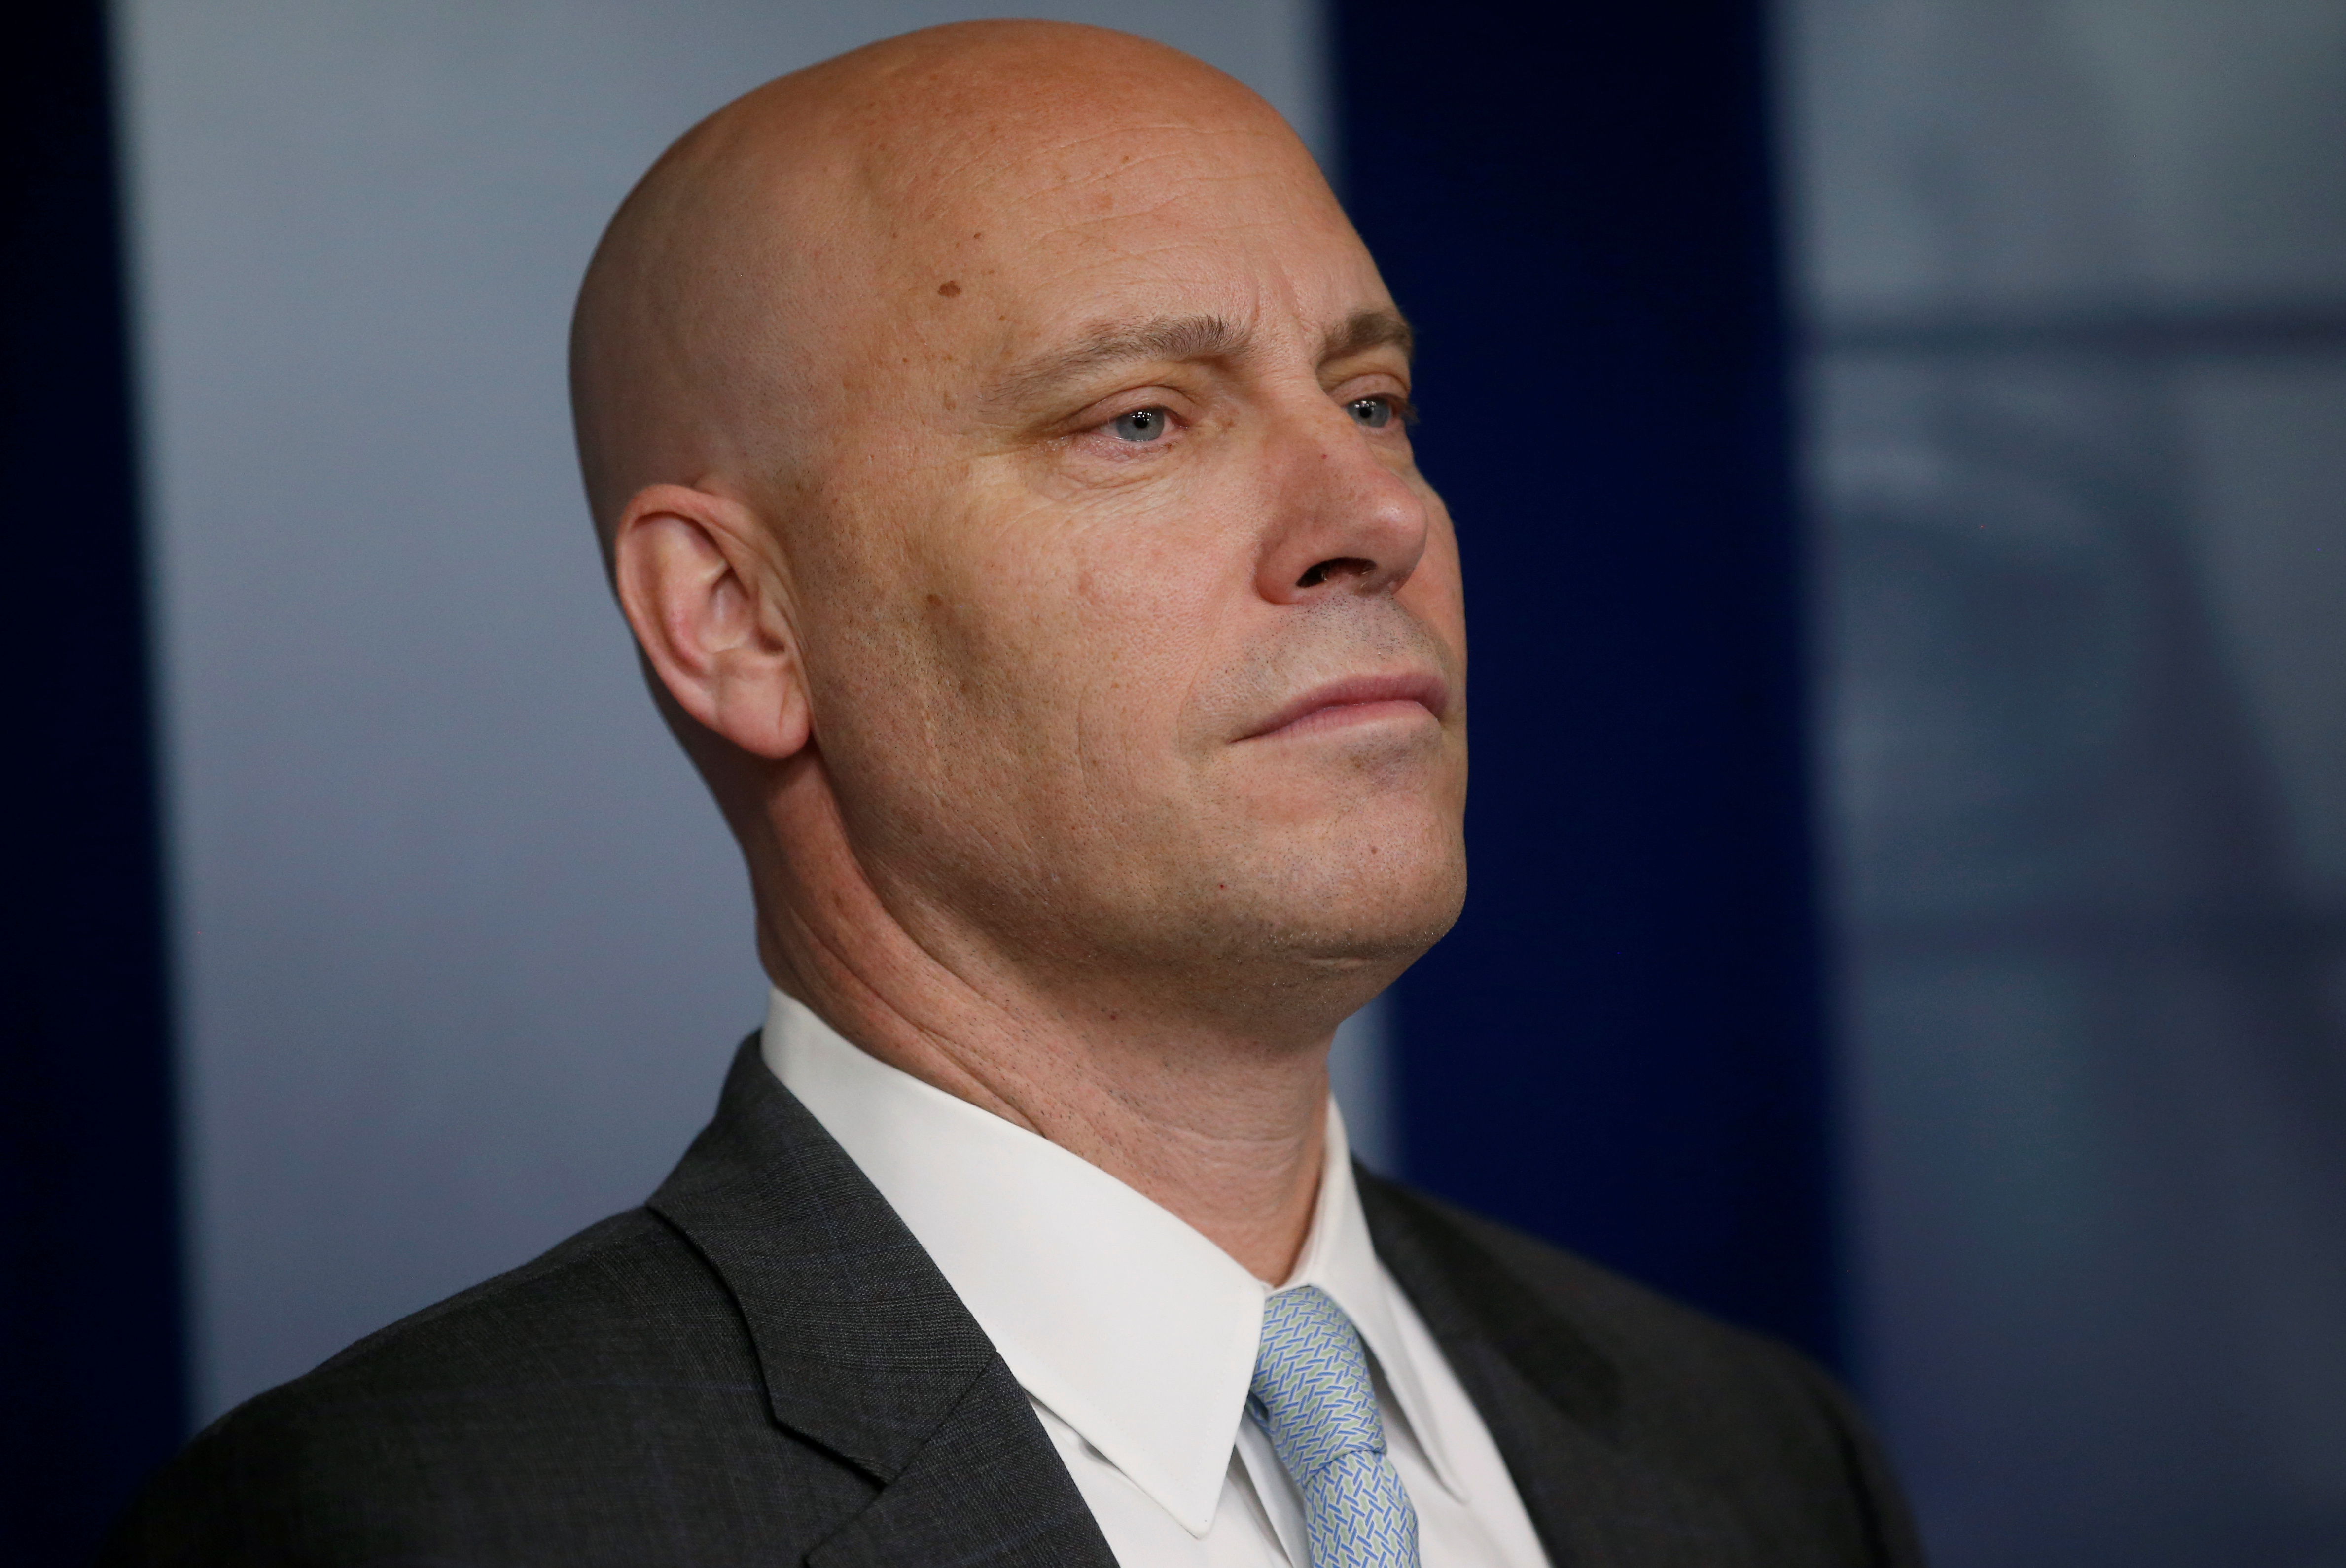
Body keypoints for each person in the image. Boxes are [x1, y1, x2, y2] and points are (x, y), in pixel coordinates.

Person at [103, 21, 1922, 1568]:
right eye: (1139, 417)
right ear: (740, 622)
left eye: (1372, 400)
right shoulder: (413, 1526)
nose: (1381, 516)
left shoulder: (1756, 1459)